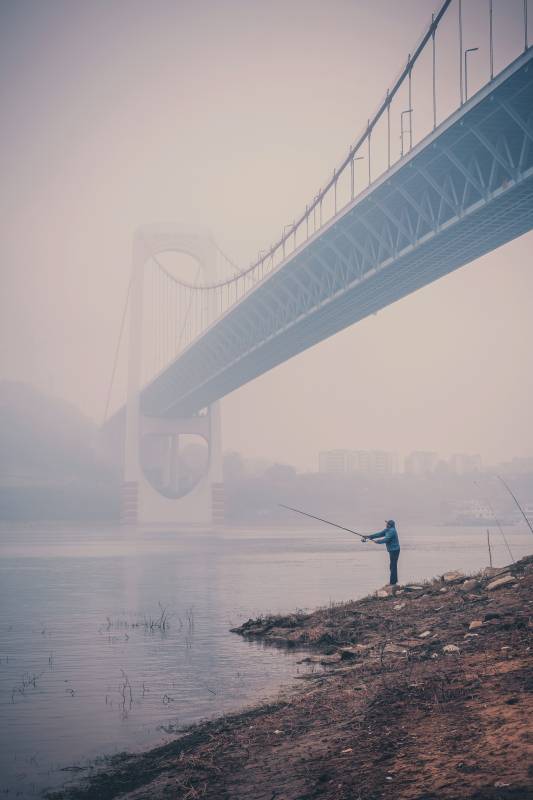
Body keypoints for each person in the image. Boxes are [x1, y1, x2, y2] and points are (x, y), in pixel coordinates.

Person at [362, 520, 400, 586]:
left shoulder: (392, 531)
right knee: (392, 566)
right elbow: (379, 534)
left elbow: (386, 539)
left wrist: (378, 541)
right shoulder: (387, 530)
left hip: (395, 550)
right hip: (392, 550)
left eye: (387, 523)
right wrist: (369, 536)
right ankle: (394, 581)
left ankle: (393, 583)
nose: (386, 524)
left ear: (390, 525)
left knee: (393, 566)